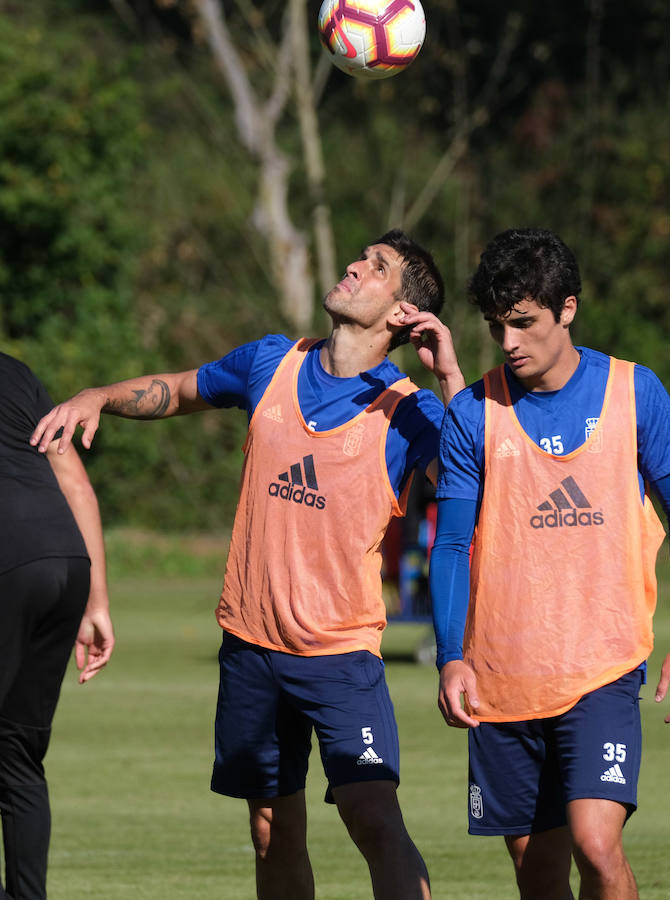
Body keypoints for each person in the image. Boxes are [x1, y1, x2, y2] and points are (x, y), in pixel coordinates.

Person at [31, 229, 465, 900]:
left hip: (341, 657)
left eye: (376, 268)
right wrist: (96, 396)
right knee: (270, 832)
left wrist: (448, 375)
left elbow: (474, 487)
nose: (353, 265)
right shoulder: (272, 361)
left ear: (402, 314)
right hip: (250, 650)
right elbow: (176, 389)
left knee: (373, 819)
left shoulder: (412, 413)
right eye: (359, 256)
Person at [428, 227, 670, 899]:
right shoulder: (471, 414)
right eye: (497, 326)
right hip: (503, 678)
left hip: (602, 668)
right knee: (538, 873)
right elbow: (448, 546)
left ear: (567, 309)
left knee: (595, 843)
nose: (508, 342)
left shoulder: (633, 393)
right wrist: (449, 654)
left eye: (523, 323)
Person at [0, 352, 114, 900]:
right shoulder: (16, 372)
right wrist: (97, 604)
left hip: (7, 564)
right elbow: (77, 487)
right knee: (16, 757)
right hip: (64, 563)